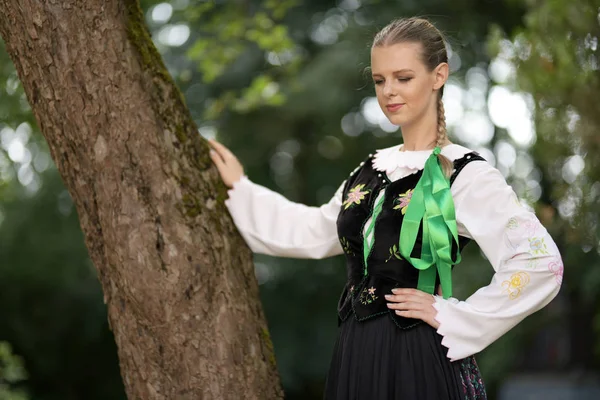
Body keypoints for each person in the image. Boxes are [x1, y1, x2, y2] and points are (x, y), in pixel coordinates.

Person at [208, 17, 563, 400]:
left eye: (403, 78)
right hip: (354, 353)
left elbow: (540, 263)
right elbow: (312, 229)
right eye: (380, 80)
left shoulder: (464, 173)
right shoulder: (370, 169)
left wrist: (456, 316)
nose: (389, 92)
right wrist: (241, 191)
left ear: (438, 76)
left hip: (417, 356)